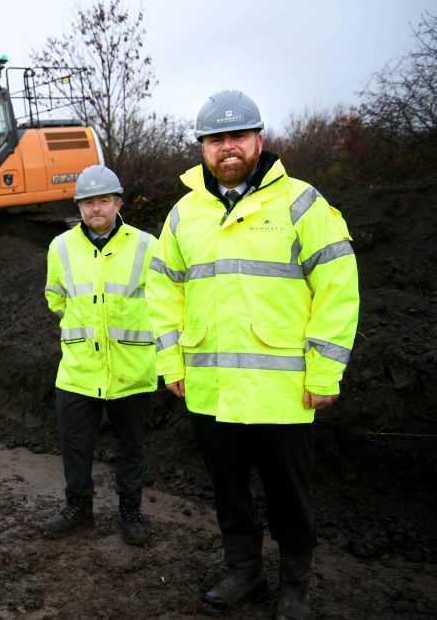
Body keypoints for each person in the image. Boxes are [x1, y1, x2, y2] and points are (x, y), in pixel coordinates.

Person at [146, 90, 359, 618]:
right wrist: (171, 362)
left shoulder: (302, 203)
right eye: (216, 139)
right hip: (211, 390)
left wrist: (325, 371)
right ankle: (245, 572)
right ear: (203, 149)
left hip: (282, 392)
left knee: (290, 495)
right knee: (229, 492)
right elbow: (163, 293)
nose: (227, 148)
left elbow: (338, 289)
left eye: (237, 136)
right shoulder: (182, 216)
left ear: (259, 140)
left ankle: (294, 588)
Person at [42, 165, 157, 546]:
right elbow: (55, 297)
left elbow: (163, 302)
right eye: (88, 202)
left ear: (117, 203)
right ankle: (78, 506)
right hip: (79, 370)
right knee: (76, 445)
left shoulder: (146, 246)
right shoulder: (59, 247)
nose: (95, 209)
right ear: (79, 207)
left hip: (131, 368)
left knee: (131, 446)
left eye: (103, 200)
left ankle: (130, 509)